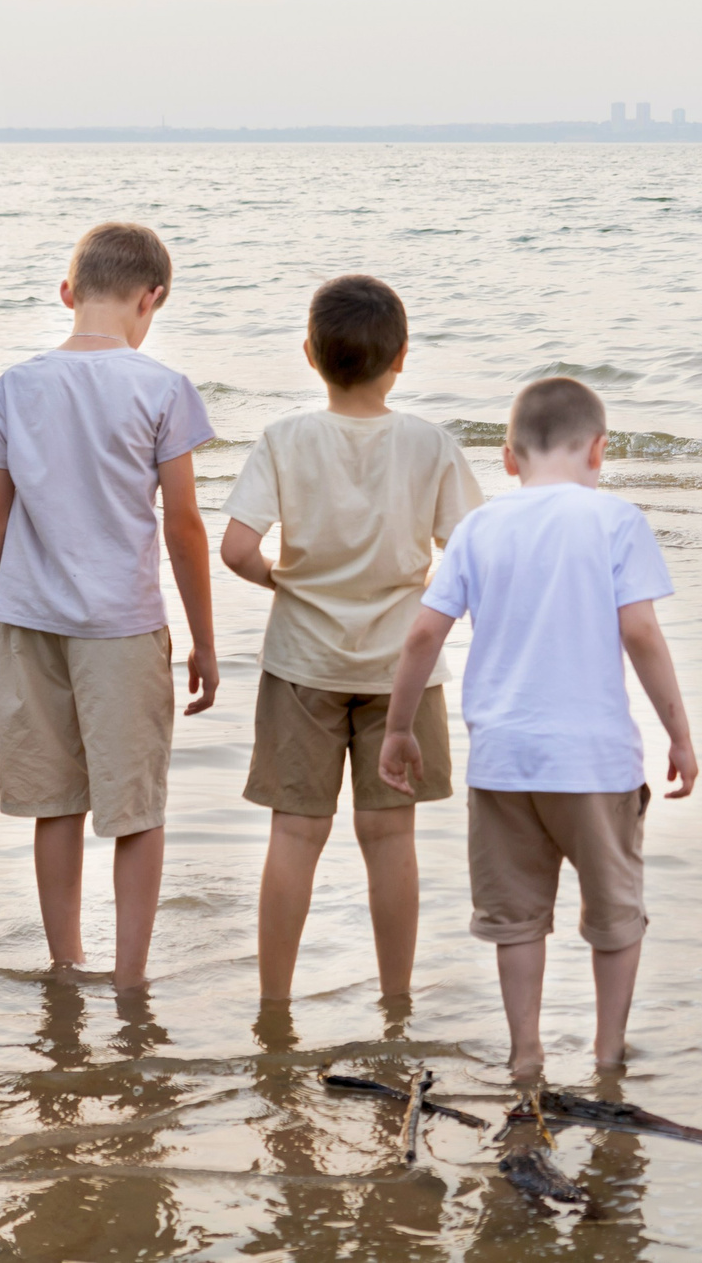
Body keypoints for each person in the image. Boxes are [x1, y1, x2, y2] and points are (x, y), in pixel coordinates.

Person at [380, 376, 698, 1081]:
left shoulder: (479, 527)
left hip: (503, 763)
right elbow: (641, 632)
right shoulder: (615, 520)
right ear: (599, 450)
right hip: (594, 764)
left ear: (508, 458)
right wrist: (679, 733)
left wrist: (399, 727)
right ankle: (607, 1050)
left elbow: (422, 634)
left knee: (517, 919)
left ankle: (526, 1052)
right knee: (615, 915)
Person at [218, 275, 482, 1003]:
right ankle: (396, 999)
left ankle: (275, 1002)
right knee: (390, 839)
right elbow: (470, 554)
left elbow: (237, 548)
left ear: (310, 354)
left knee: (295, 836)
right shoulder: (430, 444)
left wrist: (285, 583)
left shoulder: (285, 438)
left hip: (303, 661)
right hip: (404, 668)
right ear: (402, 356)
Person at [0, 222, 217, 989]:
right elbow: (182, 524)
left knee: (57, 803)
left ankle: (65, 961)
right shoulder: (161, 388)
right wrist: (204, 641)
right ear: (154, 298)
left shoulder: (17, 385)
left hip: (31, 621)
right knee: (135, 808)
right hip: (121, 624)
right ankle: (131, 976)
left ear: (68, 294)